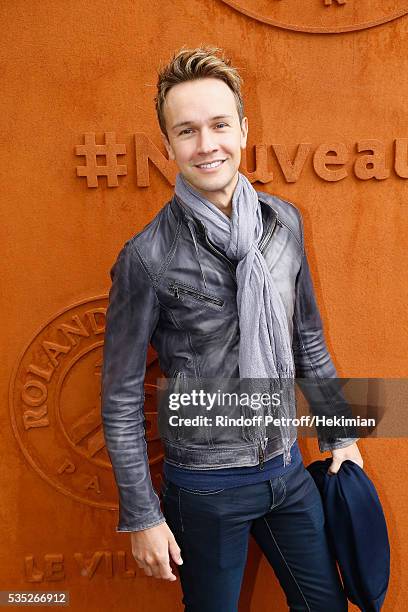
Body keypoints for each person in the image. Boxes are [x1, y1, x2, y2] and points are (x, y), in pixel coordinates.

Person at [101, 46, 364, 612]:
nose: (206, 144)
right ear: (168, 145)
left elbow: (308, 340)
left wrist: (341, 434)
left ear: (243, 128)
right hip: (206, 489)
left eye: (219, 124)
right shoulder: (146, 257)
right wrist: (142, 514)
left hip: (287, 473)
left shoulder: (284, 222)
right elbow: (121, 395)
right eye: (187, 131)